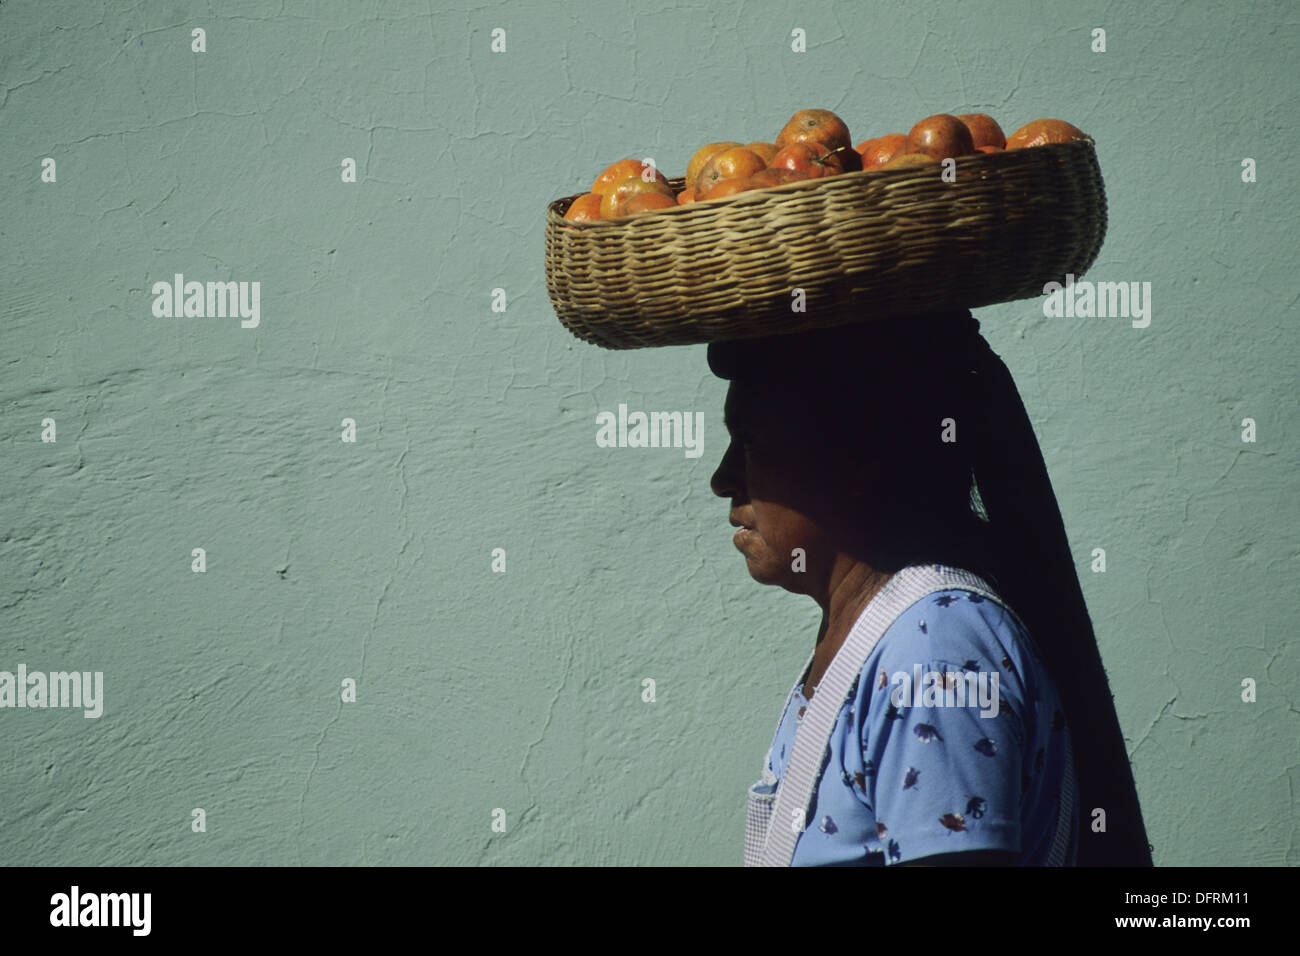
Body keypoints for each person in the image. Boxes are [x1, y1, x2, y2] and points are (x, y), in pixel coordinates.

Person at [708, 308, 1152, 866]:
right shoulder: (877, 637)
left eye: (749, 442)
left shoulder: (934, 649)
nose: (722, 478)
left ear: (857, 454)